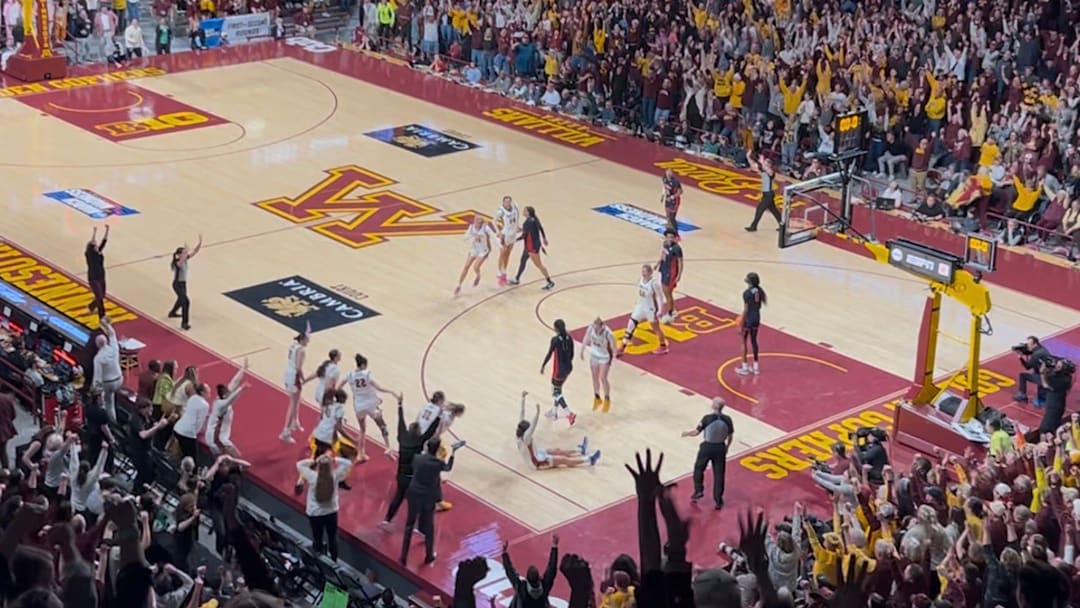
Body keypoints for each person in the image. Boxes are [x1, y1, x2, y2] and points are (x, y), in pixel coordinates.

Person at [399, 437, 463, 566]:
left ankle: (403, 556)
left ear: (427, 447)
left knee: (409, 525)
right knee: (429, 526)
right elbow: (448, 468)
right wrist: (453, 453)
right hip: (427, 496)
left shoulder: (417, 458)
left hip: (414, 492)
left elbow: (415, 468)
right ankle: (429, 555)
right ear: (438, 449)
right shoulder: (438, 463)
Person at [384, 394, 439, 524]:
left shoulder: (402, 437)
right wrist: (439, 417)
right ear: (418, 432)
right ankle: (416, 524)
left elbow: (400, 421)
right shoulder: (419, 442)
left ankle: (387, 519)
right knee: (418, 500)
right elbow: (430, 431)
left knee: (398, 497)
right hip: (414, 478)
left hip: (401, 475)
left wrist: (400, 405)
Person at [516, 391, 599, 469]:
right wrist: (537, 412)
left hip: (537, 454)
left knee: (557, 451)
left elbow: (521, 413)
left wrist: (523, 398)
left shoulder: (520, 433)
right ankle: (589, 460)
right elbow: (533, 425)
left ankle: (580, 451)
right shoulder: (526, 438)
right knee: (563, 460)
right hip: (537, 462)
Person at [296, 453, 353, 561]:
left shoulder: (312, 477)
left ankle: (318, 561)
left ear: (319, 466)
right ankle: (334, 561)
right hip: (331, 512)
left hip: (315, 514)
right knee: (332, 538)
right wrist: (334, 459)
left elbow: (300, 464)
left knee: (317, 538)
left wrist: (314, 460)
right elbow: (348, 463)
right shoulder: (335, 476)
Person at [342, 353, 397, 462]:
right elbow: (379, 388)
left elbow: (340, 386)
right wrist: (391, 391)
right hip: (371, 405)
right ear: (363, 365)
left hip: (359, 406)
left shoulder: (350, 375)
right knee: (382, 426)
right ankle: (388, 448)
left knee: (362, 430)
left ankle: (361, 453)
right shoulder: (366, 374)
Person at [681, 397, 733, 510]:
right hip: (720, 447)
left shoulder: (707, 418)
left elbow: (696, 432)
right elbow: (730, 436)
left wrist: (687, 433)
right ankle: (718, 500)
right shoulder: (728, 419)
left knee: (699, 468)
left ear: (713, 406)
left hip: (707, 447)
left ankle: (698, 490)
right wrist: (727, 447)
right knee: (719, 474)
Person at [617, 265, 669, 357]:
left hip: (650, 309)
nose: (643, 273)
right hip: (640, 307)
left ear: (650, 273)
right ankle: (622, 347)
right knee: (631, 325)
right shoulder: (640, 279)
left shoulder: (654, 283)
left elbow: (660, 297)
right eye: (642, 271)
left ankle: (663, 346)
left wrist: (660, 310)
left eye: (645, 272)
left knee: (656, 328)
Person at [501, 534, 560, 608]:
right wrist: (554, 546)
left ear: (527, 579)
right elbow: (552, 569)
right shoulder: (544, 585)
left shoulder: (522, 588)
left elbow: (510, 572)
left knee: (517, 598)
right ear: (539, 577)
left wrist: (504, 553)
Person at [206, 360, 248, 458]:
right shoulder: (221, 405)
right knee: (237, 456)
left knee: (226, 458)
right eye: (228, 392)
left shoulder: (221, 398)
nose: (230, 392)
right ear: (224, 395)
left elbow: (234, 382)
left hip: (215, 436)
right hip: (217, 438)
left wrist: (243, 369)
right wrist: (242, 388)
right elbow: (231, 399)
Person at [281, 324, 313, 443]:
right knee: (293, 404)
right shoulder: (302, 350)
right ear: (303, 339)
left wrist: (308, 331)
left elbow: (305, 334)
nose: (309, 340)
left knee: (296, 401)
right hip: (294, 375)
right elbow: (299, 367)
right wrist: (303, 378)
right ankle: (286, 432)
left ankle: (295, 421)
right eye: (308, 339)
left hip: (288, 372)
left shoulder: (294, 345)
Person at [509, 206, 554, 290]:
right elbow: (540, 228)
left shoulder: (527, 222)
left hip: (532, 246)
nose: (523, 211)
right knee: (523, 260)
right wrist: (544, 238)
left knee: (538, 264)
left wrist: (514, 240)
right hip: (532, 244)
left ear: (528, 212)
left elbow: (524, 236)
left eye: (524, 210)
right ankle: (517, 278)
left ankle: (549, 281)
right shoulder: (534, 219)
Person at [541, 319, 576, 426]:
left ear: (556, 329)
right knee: (558, 389)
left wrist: (543, 365)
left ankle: (569, 413)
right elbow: (572, 354)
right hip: (569, 367)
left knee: (555, 392)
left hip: (559, 370)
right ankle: (554, 412)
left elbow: (549, 354)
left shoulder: (555, 340)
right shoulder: (569, 337)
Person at [91, 315, 122, 422]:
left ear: (97, 345)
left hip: (108, 383)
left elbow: (97, 377)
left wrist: (94, 390)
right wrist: (106, 324)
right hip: (119, 379)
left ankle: (110, 421)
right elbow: (112, 334)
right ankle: (115, 418)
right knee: (112, 399)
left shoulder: (98, 358)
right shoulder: (114, 348)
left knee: (107, 403)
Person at [735, 272, 767, 376]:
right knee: (754, 341)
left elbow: (746, 310)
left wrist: (741, 322)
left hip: (748, 319)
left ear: (749, 282)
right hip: (757, 318)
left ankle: (744, 368)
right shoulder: (759, 291)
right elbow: (759, 306)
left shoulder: (746, 293)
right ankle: (755, 367)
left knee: (743, 342)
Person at [168, 234, 201, 331]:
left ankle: (172, 312)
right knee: (186, 302)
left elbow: (194, 252)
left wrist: (199, 243)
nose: (185, 255)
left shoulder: (184, 259)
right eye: (183, 253)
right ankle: (184, 323)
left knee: (181, 299)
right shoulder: (177, 262)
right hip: (177, 284)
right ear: (179, 255)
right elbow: (182, 260)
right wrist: (186, 251)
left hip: (183, 284)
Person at [582, 318, 616, 412]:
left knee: (603, 377)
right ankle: (597, 398)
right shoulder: (590, 328)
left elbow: (613, 345)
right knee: (594, 377)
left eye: (597, 328)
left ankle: (607, 399)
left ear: (602, 326)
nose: (595, 330)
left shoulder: (608, 333)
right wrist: (582, 349)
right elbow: (586, 338)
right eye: (594, 328)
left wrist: (615, 355)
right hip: (594, 355)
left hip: (605, 356)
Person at [455, 216, 494, 296]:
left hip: (483, 250)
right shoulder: (471, 227)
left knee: (475, 267)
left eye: (477, 221)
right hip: (474, 249)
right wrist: (473, 238)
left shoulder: (486, 229)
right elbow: (465, 237)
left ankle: (478, 276)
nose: (475, 222)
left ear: (480, 223)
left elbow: (493, 236)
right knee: (466, 266)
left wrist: (500, 244)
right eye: (475, 220)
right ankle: (459, 285)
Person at [172, 382, 210, 460]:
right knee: (192, 458)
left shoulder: (192, 398)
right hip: (188, 433)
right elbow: (199, 422)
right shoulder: (204, 405)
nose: (209, 392)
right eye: (208, 390)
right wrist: (194, 433)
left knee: (185, 453)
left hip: (178, 428)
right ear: (202, 392)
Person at [745, 152, 781, 232]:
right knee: (774, 210)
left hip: (769, 194)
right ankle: (782, 225)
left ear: (769, 165)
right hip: (766, 194)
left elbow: (766, 169)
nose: (764, 163)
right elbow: (753, 165)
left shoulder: (771, 172)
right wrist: (748, 157)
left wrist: (762, 161)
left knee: (760, 209)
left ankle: (753, 226)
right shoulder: (763, 171)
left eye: (766, 162)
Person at [1014, 336, 1053, 406]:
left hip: (1044, 377)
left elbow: (1027, 367)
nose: (1028, 346)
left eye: (1029, 345)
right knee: (1037, 375)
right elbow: (1031, 352)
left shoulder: (1036, 354)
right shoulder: (1042, 349)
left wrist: (1021, 358)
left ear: (1035, 344)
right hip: (1050, 375)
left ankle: (1022, 395)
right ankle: (1043, 398)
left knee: (1022, 376)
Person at [656, 230, 683, 323]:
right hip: (664, 268)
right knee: (664, 290)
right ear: (665, 237)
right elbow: (663, 254)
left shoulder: (677, 248)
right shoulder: (665, 244)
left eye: (672, 237)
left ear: (675, 238)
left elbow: (680, 262)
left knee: (668, 292)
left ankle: (671, 311)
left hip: (671, 272)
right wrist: (658, 263)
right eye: (668, 237)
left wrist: (679, 275)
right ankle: (671, 309)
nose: (670, 239)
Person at [494, 195, 521, 286]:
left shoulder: (515, 207)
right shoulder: (501, 211)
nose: (508, 203)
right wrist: (498, 231)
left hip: (513, 234)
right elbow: (494, 221)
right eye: (506, 201)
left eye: (509, 201)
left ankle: (504, 272)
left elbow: (517, 217)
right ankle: (499, 272)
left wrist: (517, 226)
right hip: (505, 234)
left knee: (508, 254)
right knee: (503, 253)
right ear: (503, 202)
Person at [85, 224, 109, 318]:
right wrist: (94, 233)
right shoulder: (89, 255)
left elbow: (104, 241)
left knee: (102, 295)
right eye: (95, 245)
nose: (97, 245)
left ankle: (91, 306)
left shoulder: (98, 252)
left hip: (101, 276)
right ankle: (102, 316)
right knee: (99, 298)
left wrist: (107, 230)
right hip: (93, 277)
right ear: (92, 248)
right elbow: (92, 242)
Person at [661, 169, 683, 238]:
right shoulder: (664, 178)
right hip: (667, 199)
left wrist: (672, 197)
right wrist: (662, 195)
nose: (669, 173)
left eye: (670, 172)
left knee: (672, 218)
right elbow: (664, 186)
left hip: (675, 201)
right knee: (668, 216)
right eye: (668, 172)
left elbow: (680, 192)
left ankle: (676, 234)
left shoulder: (675, 182)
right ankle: (669, 233)